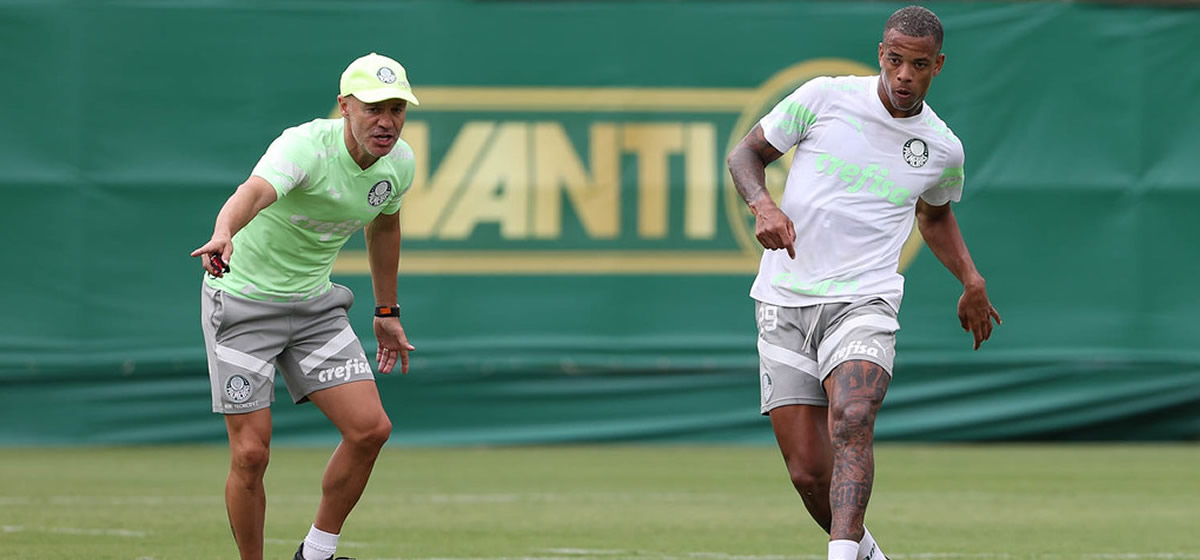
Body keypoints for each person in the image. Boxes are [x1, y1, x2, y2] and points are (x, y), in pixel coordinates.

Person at [726, 6, 1001, 560]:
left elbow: (936, 215)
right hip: (784, 301)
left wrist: (971, 279)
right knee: (807, 473)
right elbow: (746, 153)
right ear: (882, 54)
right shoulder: (825, 97)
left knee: (853, 415)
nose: (904, 75)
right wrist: (762, 206)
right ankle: (869, 552)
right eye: (895, 60)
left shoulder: (942, 149)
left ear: (937, 66)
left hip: (864, 299)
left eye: (918, 65)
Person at [190, 52, 420, 560]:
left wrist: (386, 313)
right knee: (250, 454)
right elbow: (253, 192)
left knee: (370, 430)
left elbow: (384, 226)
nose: (386, 121)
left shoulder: (399, 162)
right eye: (373, 108)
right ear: (345, 106)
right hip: (243, 302)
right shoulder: (304, 145)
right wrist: (224, 232)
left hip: (314, 308)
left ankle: (315, 554)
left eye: (397, 109)